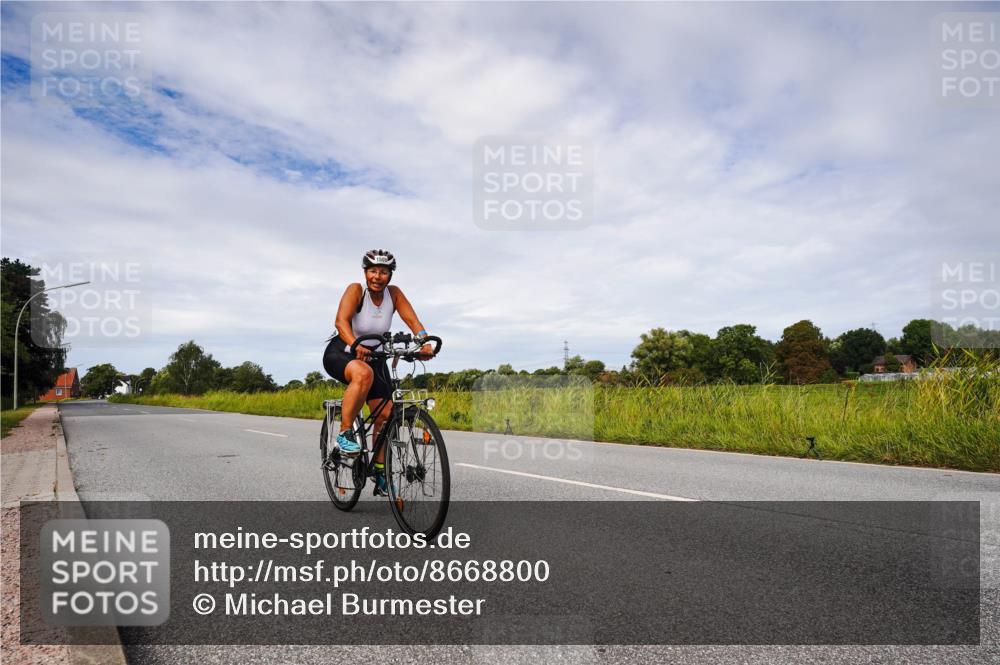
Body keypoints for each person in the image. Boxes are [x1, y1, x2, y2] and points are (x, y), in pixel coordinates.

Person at [322, 249, 433, 495]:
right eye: (373, 271)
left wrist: (424, 341)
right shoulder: (356, 290)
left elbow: (412, 320)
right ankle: (345, 432)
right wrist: (355, 345)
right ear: (365, 272)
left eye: (383, 272)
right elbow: (341, 322)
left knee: (385, 414)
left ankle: (380, 470)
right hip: (343, 351)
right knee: (363, 374)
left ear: (390, 275)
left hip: (375, 355)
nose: (378, 276)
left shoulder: (394, 294)